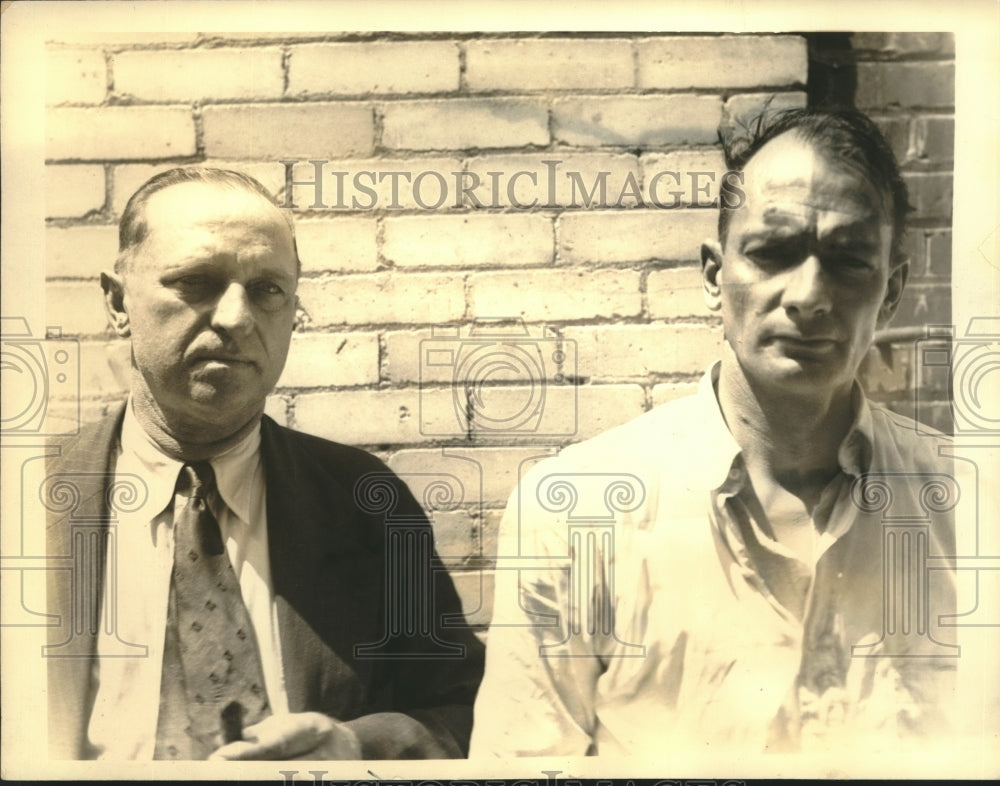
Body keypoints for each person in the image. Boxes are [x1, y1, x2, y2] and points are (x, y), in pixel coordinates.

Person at [469, 108, 961, 758]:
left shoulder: (971, 505)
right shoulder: (574, 510)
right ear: (713, 275)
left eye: (848, 261)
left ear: (891, 294)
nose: (809, 295)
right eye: (773, 252)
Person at [44, 167, 483, 760]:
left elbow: (467, 712)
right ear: (118, 301)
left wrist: (356, 743)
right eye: (196, 282)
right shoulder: (28, 498)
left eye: (267, 289)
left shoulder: (365, 501)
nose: (236, 318)